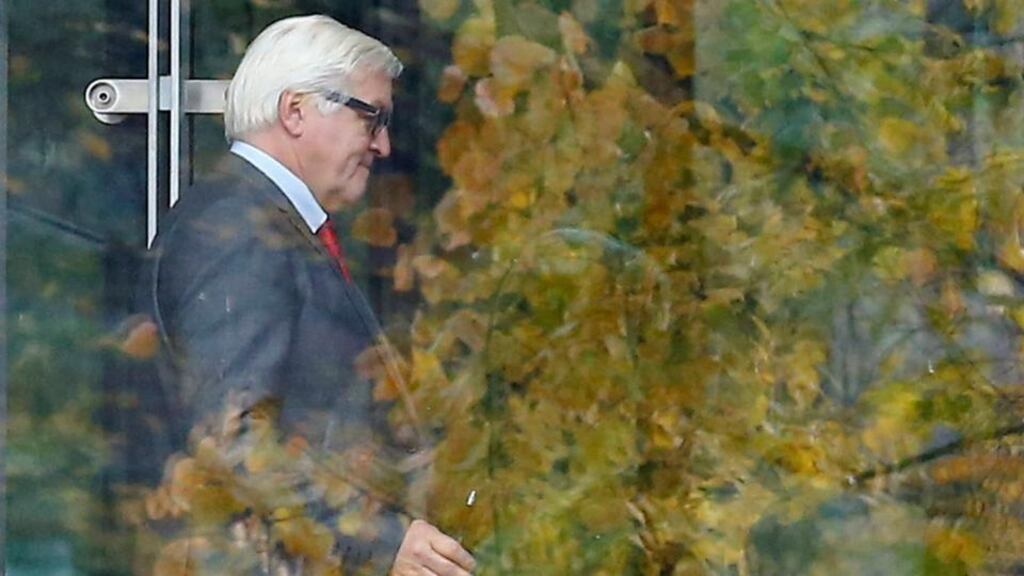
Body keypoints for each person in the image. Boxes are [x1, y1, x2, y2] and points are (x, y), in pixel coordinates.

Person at [149, 14, 475, 575]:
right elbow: (233, 438)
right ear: (295, 110)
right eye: (372, 118)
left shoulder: (260, 221)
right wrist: (379, 541)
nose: (383, 145)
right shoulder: (238, 228)